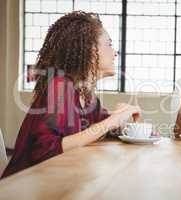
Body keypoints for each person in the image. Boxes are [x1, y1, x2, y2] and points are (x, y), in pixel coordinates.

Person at [1, 11, 141, 178]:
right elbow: (45, 151)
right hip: (27, 186)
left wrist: (120, 119)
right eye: (109, 44)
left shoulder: (85, 94)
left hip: (59, 179)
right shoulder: (61, 86)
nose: (115, 53)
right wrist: (112, 121)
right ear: (90, 50)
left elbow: (96, 128)